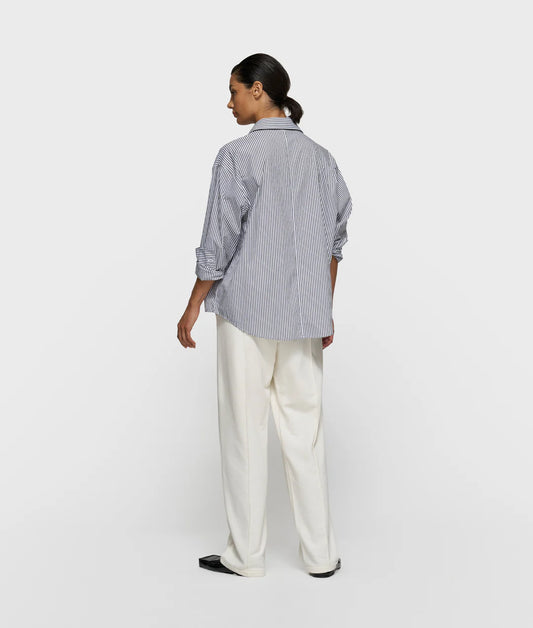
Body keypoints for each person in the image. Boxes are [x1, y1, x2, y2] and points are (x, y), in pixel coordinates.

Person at [177, 53, 353, 578]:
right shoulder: (321, 158)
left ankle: (246, 557)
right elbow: (335, 241)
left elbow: (219, 240)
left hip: (247, 314)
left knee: (244, 432)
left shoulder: (238, 155)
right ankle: (320, 557)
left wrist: (193, 303)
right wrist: (324, 309)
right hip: (304, 318)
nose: (229, 102)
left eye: (234, 91)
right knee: (306, 433)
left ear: (258, 89)